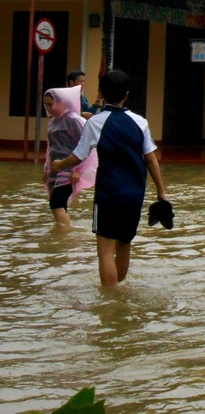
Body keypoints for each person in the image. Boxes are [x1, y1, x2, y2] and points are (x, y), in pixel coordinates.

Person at [51, 70, 169, 288]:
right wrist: (161, 192)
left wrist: (58, 164)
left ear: (101, 93)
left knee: (105, 249)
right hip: (134, 194)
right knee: (124, 244)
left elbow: (79, 156)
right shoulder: (140, 122)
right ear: (126, 94)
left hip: (108, 194)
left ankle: (110, 302)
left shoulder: (96, 122)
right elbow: (151, 160)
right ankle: (119, 292)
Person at [42, 85, 97, 227]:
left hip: (68, 168)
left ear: (61, 102)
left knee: (56, 203)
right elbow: (50, 148)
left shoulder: (73, 120)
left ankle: (65, 235)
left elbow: (85, 145)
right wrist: (47, 170)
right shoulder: (53, 122)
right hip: (56, 169)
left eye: (50, 104)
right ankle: (66, 237)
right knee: (57, 203)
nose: (47, 108)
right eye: (45, 104)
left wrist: (77, 170)